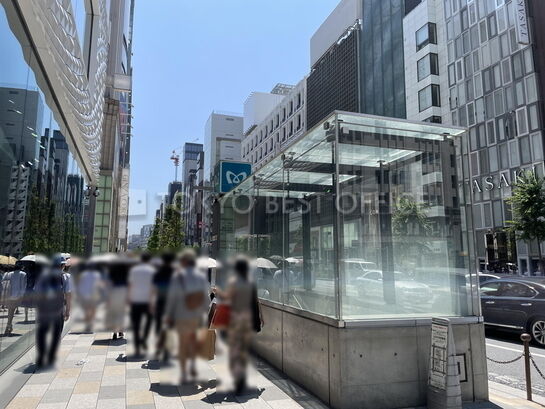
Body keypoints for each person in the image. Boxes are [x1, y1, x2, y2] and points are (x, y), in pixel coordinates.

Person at [213, 256, 263, 395]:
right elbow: (256, 301)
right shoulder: (251, 282)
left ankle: (238, 381)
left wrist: (218, 292)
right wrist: (260, 318)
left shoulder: (234, 282)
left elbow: (227, 298)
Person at [165, 249, 209, 383]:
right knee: (193, 342)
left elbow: (171, 298)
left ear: (183, 262)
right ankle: (193, 366)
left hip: (181, 315)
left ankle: (184, 372)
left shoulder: (177, 277)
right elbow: (206, 300)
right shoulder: (201, 277)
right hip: (196, 316)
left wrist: (168, 314)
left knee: (182, 344)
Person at [34, 256, 71, 369]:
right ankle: (51, 357)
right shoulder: (65, 276)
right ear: (63, 265)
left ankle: (41, 357)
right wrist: (68, 310)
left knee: (42, 333)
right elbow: (68, 294)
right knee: (56, 333)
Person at [128, 252, 155, 356]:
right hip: (148, 301)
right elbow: (153, 287)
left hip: (135, 300)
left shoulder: (134, 270)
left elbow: (130, 285)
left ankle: (137, 347)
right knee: (149, 321)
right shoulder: (152, 271)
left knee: (136, 324)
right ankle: (144, 339)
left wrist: (129, 298)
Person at [152, 252, 175, 361]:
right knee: (169, 327)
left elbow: (154, 289)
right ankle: (166, 349)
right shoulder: (176, 273)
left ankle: (159, 347)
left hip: (160, 302)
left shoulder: (158, 272)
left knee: (159, 326)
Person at [2, 262, 27, 335]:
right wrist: (22, 296)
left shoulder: (9, 274)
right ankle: (8, 326)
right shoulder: (23, 274)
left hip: (8, 294)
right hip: (17, 295)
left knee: (10, 310)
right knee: (11, 310)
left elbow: (3, 282)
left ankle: (9, 325)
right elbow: (23, 286)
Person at [77, 263, 103, 332]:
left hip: (85, 294)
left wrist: (79, 294)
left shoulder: (83, 274)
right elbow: (98, 284)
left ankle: (88, 324)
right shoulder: (97, 274)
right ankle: (91, 323)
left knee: (86, 310)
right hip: (94, 294)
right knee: (93, 309)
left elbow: (80, 284)